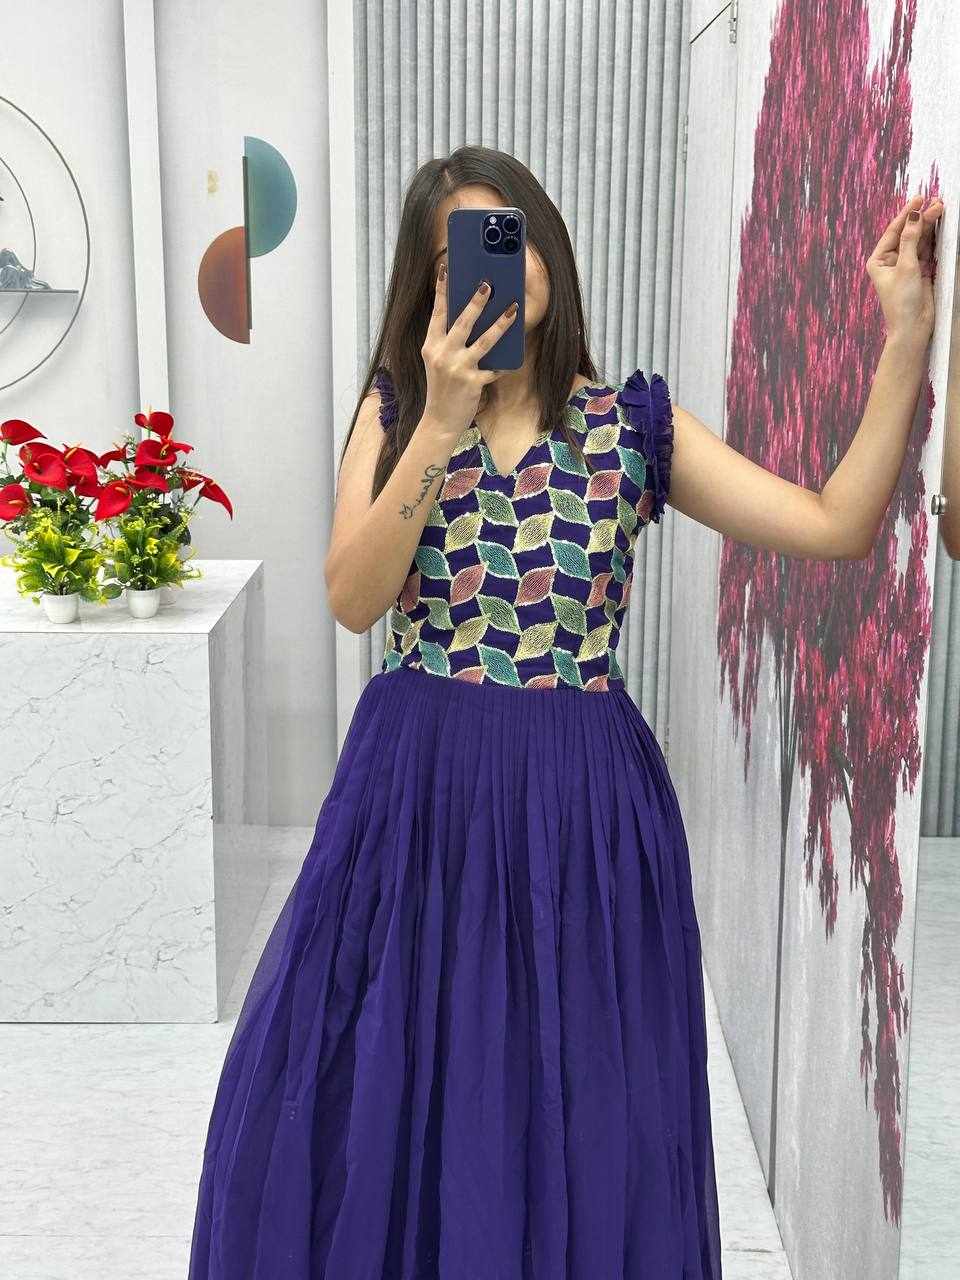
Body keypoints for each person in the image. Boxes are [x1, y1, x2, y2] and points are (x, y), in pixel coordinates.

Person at [186, 145, 941, 1278]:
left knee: (574, 1091)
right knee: (389, 1072)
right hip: (417, 797)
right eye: (462, 255)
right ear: (430, 284)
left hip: (579, 808)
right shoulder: (397, 407)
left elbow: (835, 522)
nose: (501, 267)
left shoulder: (633, 427)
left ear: (549, 245)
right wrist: (438, 423)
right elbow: (352, 598)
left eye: (514, 234)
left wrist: (907, 337)